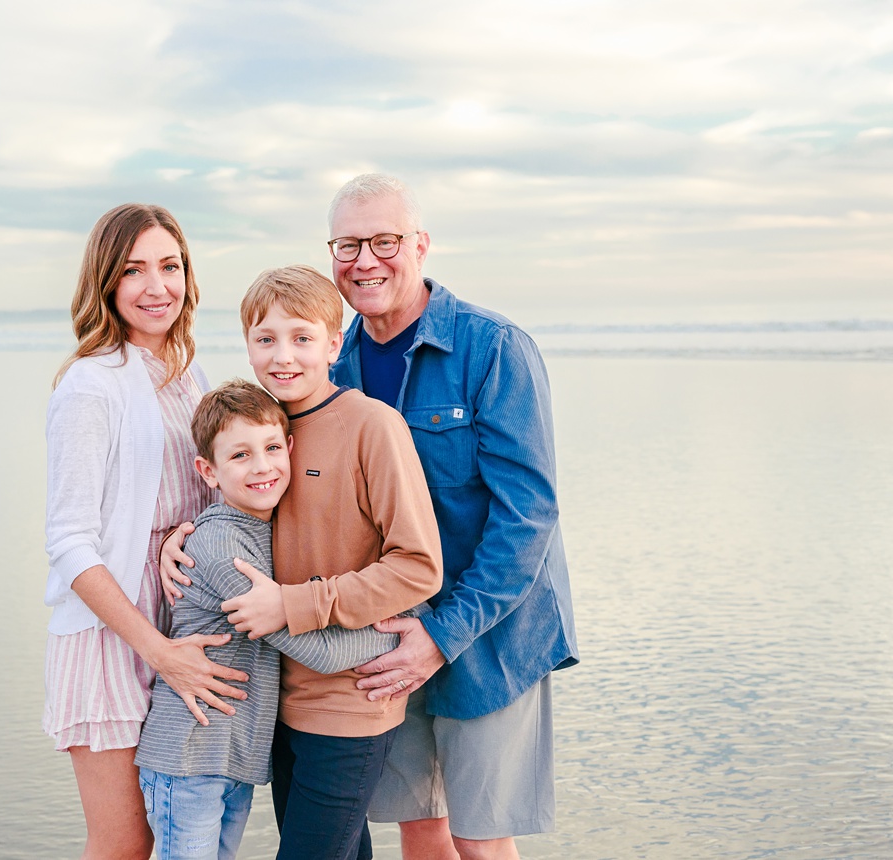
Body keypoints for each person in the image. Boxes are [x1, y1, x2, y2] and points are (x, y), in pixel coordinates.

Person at [325, 173, 580, 860]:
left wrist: (440, 636)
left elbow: (528, 518)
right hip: (388, 631)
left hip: (491, 629)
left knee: (479, 836)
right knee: (420, 822)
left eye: (385, 240)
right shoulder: (331, 364)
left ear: (421, 245)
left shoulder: (492, 347)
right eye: (349, 244)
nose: (366, 260)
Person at [166, 265, 443, 859]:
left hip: (350, 700)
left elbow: (418, 566)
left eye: (302, 338)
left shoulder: (373, 425)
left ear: (334, 344)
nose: (282, 356)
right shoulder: (267, 426)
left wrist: (293, 604)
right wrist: (180, 535)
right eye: (265, 339)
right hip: (277, 703)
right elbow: (232, 505)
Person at [42, 203, 251, 860]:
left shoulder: (188, 374)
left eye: (170, 266)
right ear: (106, 282)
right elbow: (70, 542)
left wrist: (174, 541)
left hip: (182, 628)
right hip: (116, 642)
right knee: (125, 845)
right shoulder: (90, 384)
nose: (156, 286)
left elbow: (202, 488)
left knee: (182, 835)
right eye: (133, 270)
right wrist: (157, 651)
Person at [135, 379, 409, 860]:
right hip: (189, 757)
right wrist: (406, 632)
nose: (262, 467)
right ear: (208, 471)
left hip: (231, 759)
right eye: (240, 456)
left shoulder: (269, 529)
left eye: (271, 448)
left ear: (291, 449)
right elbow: (318, 651)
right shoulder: (224, 550)